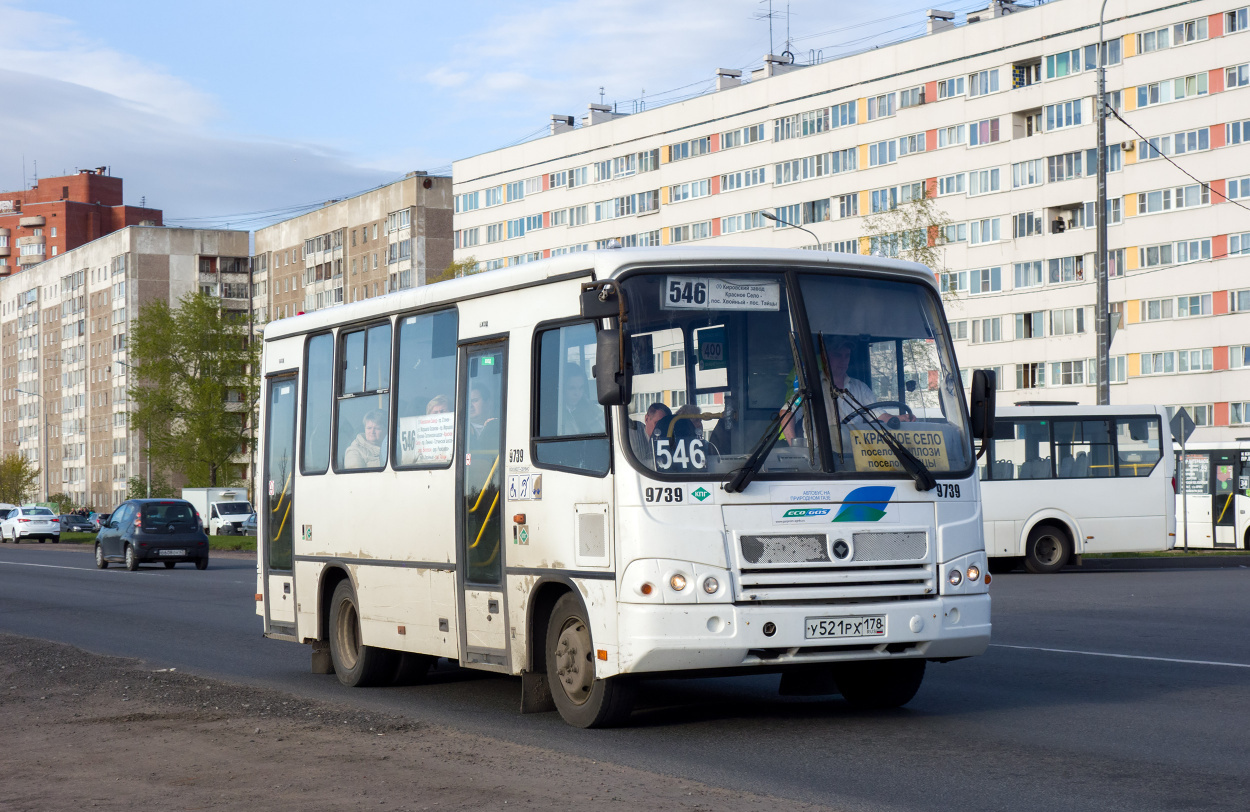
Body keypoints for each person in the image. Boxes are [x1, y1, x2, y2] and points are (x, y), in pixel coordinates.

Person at [558, 363, 603, 435]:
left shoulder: (590, 408)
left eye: (581, 388)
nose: (577, 393)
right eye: (572, 388)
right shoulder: (557, 414)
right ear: (562, 388)